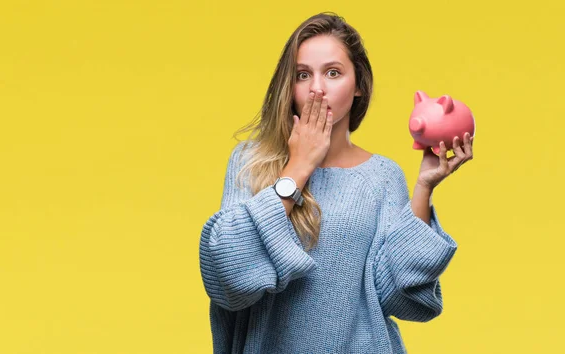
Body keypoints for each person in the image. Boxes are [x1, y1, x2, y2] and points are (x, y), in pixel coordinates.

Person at [199, 12, 474, 354]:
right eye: (303, 75)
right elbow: (228, 277)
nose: (317, 88)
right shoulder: (250, 162)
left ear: (358, 84)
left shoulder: (382, 177)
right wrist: (298, 168)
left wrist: (424, 188)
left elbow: (396, 295)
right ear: (290, 86)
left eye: (333, 73)